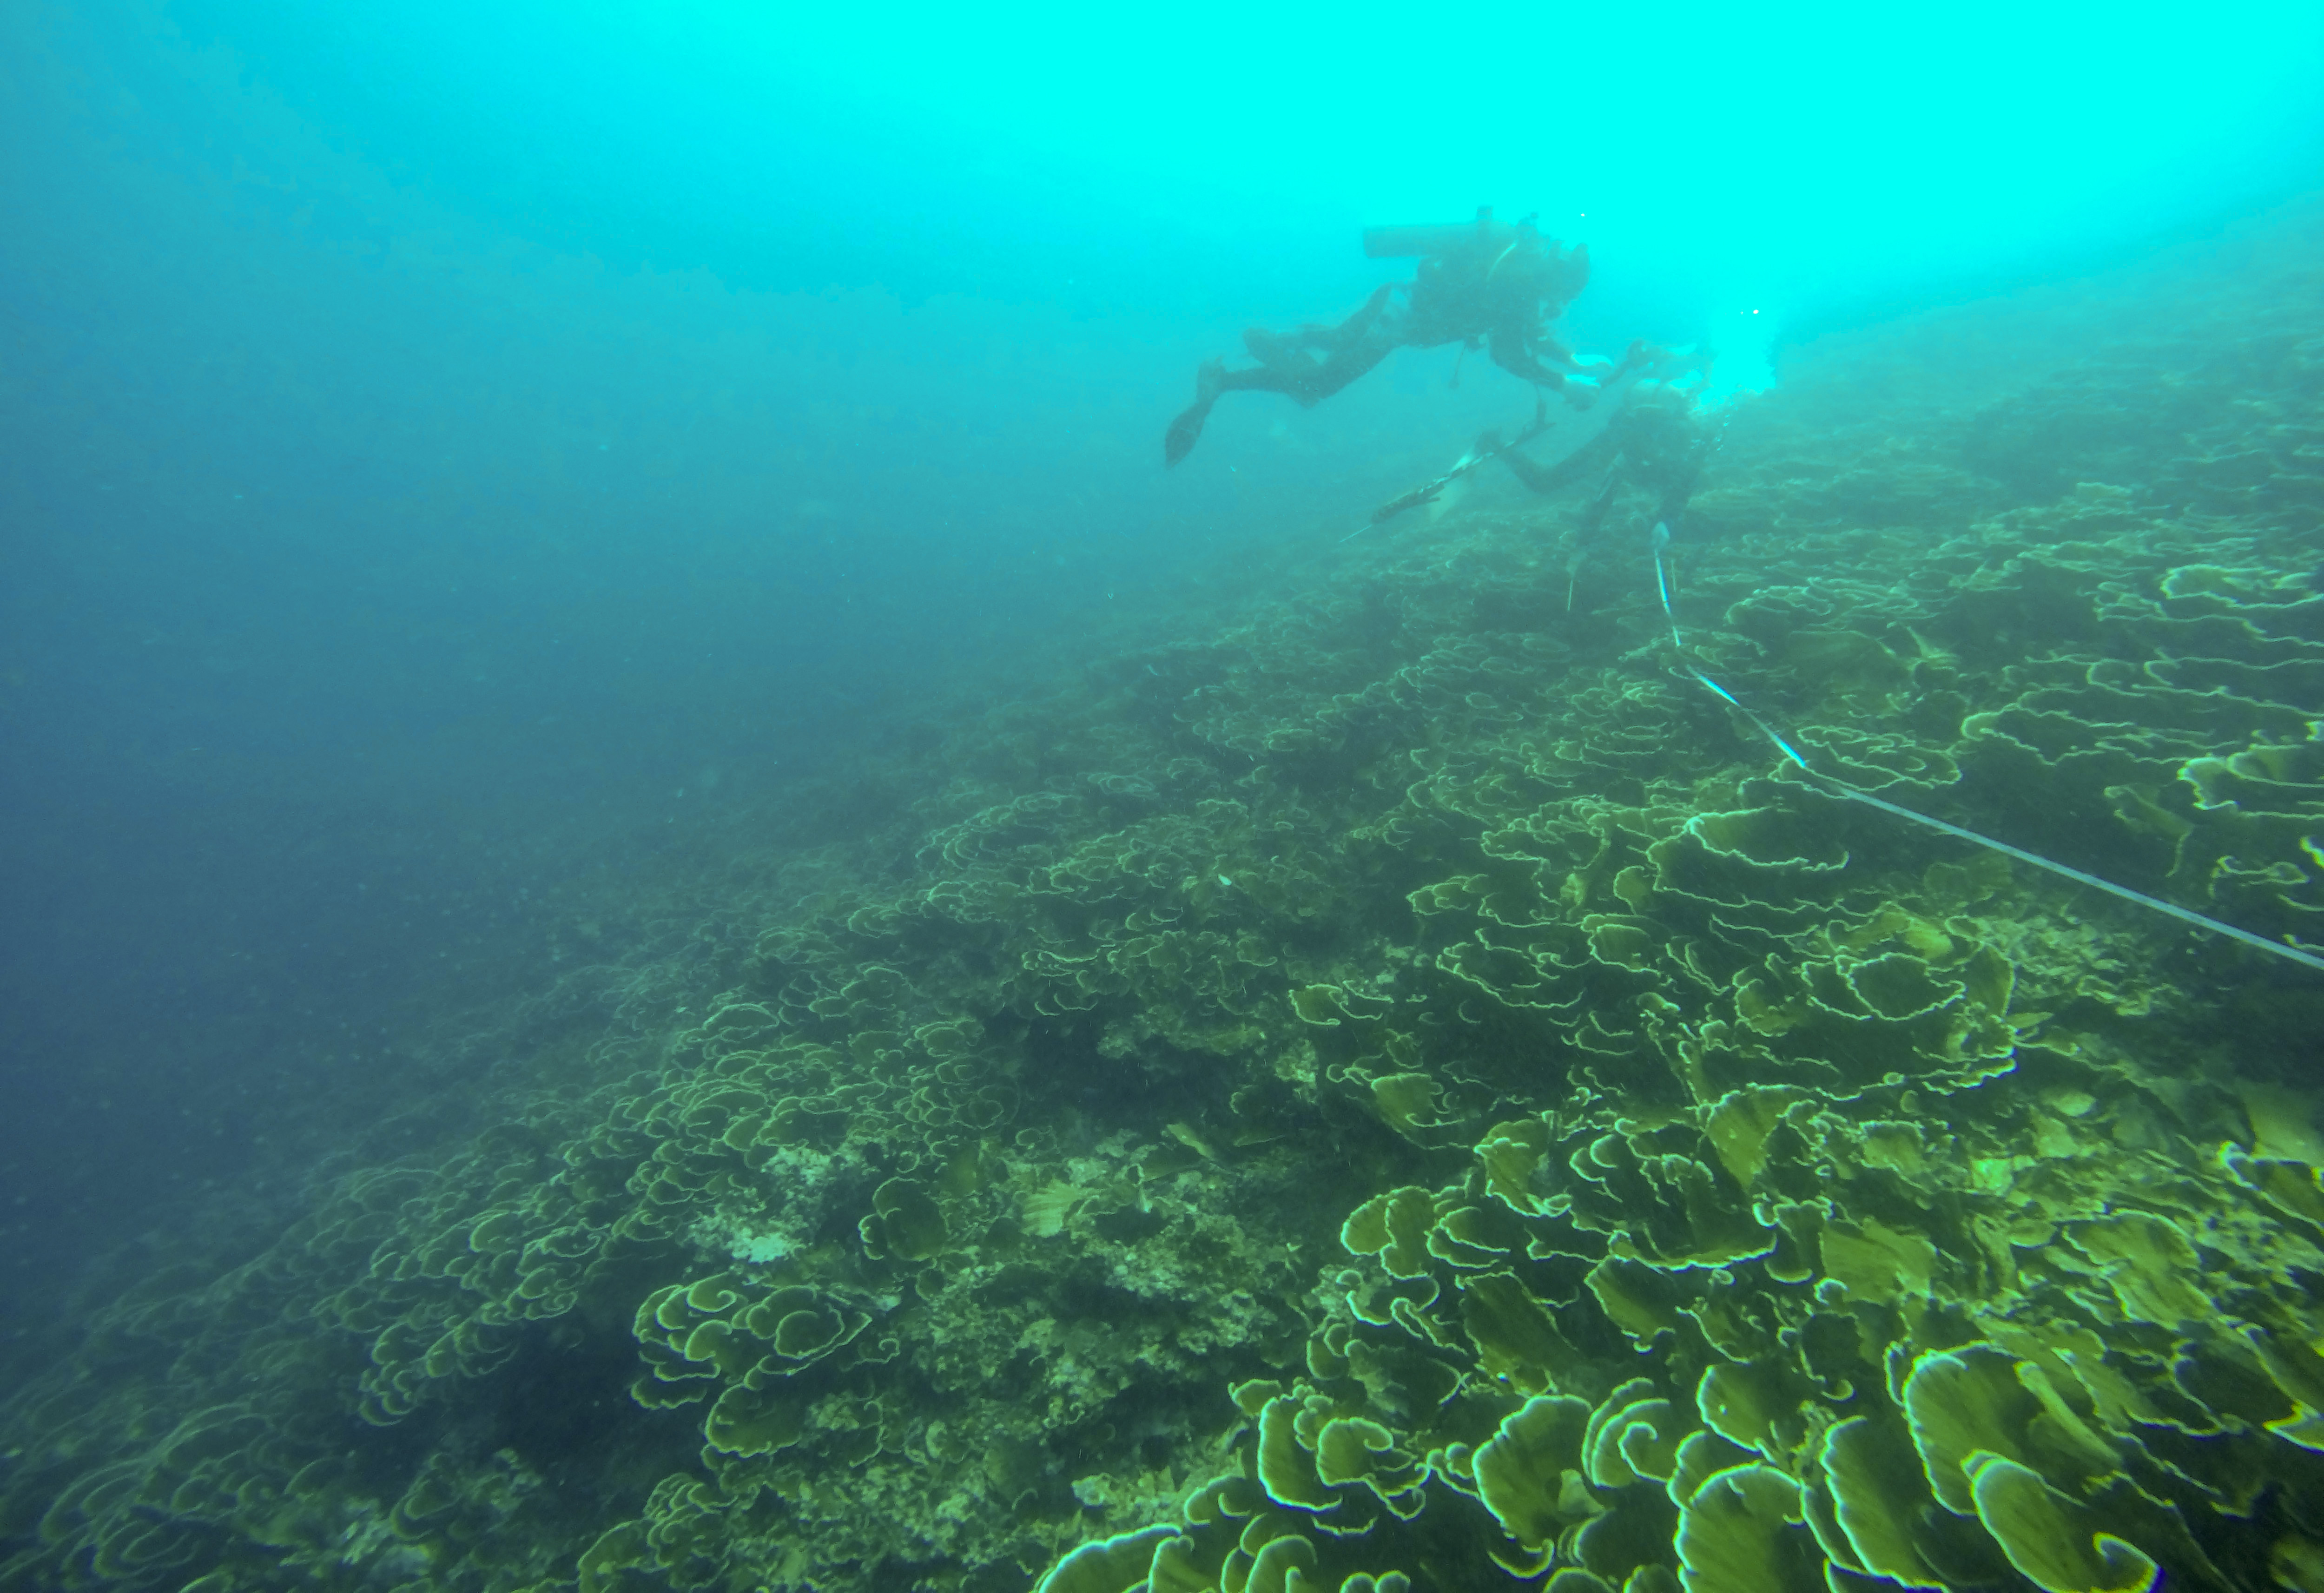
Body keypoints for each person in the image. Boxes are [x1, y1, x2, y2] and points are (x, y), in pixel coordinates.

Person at [1164, 208, 1597, 467]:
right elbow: (1508, 352)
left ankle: (1249, 362)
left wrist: (1573, 361)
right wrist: (1564, 384)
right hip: (1397, 319)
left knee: (1329, 356)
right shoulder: (1520, 283)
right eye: (1561, 293)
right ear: (1555, 277)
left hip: (1395, 304)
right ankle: (1258, 351)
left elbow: (1526, 332)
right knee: (1316, 385)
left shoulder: (1520, 273)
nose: (1556, 302)